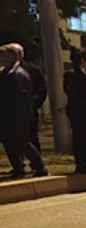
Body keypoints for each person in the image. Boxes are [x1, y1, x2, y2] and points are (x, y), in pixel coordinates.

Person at [0, 44, 48, 178]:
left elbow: (21, 98)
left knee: (23, 142)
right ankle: (18, 167)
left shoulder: (19, 74)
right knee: (9, 142)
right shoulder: (6, 73)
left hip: (17, 116)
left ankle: (39, 167)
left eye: (3, 56)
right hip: (6, 115)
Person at [8, 45, 48, 153]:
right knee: (12, 138)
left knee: (31, 137)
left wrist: (35, 102)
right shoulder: (4, 71)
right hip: (9, 110)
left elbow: (42, 88)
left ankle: (36, 164)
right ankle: (18, 165)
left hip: (27, 108)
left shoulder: (32, 70)